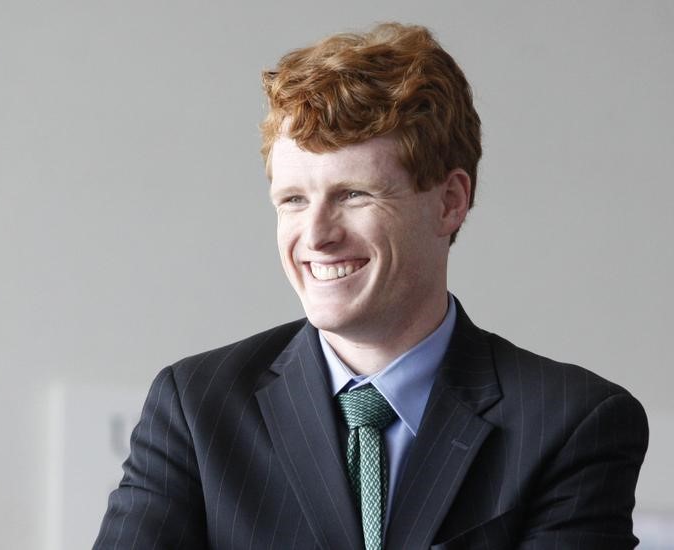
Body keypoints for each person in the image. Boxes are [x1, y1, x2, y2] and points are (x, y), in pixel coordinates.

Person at [93, 23, 648, 549]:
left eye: (354, 195)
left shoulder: (572, 424)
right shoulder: (195, 406)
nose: (316, 235)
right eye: (293, 200)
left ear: (450, 202)